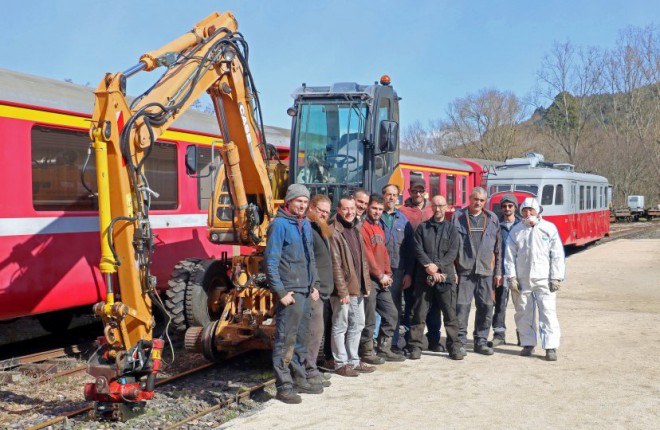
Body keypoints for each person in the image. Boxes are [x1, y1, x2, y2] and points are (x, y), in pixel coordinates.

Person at [265, 184, 322, 404]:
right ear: (288, 202)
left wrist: (314, 283)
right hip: (290, 292)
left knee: (302, 338)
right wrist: (280, 292)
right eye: (298, 201)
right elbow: (271, 262)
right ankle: (283, 385)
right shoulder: (279, 225)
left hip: (306, 290)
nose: (302, 205)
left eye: (305, 201)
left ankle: (299, 378)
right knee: (285, 340)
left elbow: (311, 258)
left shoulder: (305, 223)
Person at [505, 197, 565, 361]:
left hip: (544, 279)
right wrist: (511, 277)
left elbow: (557, 255)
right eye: (525, 211)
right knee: (524, 312)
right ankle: (528, 343)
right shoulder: (516, 231)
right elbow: (509, 256)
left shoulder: (548, 228)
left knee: (548, 312)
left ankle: (550, 347)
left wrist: (556, 277)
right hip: (523, 279)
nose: (528, 213)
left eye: (531, 210)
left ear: (538, 211)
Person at [409, 195, 465, 360]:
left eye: (441, 206)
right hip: (424, 278)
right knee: (419, 314)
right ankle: (415, 347)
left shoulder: (452, 229)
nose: (438, 209)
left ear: (446, 207)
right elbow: (418, 249)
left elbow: (453, 252)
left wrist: (437, 265)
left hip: (445, 278)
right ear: (431, 207)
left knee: (450, 314)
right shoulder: (422, 228)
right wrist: (430, 267)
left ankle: (454, 347)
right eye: (435, 206)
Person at [328, 196, 375, 376]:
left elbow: (361, 259)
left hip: (357, 286)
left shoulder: (356, 227)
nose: (349, 212)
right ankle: (341, 363)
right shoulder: (334, 231)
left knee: (358, 324)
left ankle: (353, 361)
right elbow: (335, 264)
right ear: (339, 210)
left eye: (352, 209)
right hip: (343, 289)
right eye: (345, 209)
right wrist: (342, 290)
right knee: (341, 325)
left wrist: (366, 283)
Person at [452, 187, 502, 356]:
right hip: (464, 271)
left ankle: (480, 341)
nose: (478, 203)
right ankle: (459, 342)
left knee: (486, 307)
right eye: (475, 199)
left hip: (486, 271)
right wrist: (453, 269)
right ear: (470, 198)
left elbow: (498, 249)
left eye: (481, 200)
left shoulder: (492, 218)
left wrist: (498, 272)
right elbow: (451, 246)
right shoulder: (458, 217)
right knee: (462, 308)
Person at [360, 194, 405, 363]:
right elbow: (367, 255)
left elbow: (384, 253)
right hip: (370, 279)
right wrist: (379, 275)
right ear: (368, 208)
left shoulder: (379, 227)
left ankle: (384, 348)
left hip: (382, 280)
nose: (377, 212)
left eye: (380, 209)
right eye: (374, 208)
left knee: (392, 313)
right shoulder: (363, 227)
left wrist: (388, 273)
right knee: (369, 318)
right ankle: (366, 351)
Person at [397, 177, 441, 351]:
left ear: (425, 192)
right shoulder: (403, 211)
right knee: (410, 304)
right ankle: (410, 340)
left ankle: (434, 340)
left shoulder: (433, 209)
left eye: (420, 191)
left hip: (431, 265)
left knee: (432, 304)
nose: (417, 194)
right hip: (411, 264)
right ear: (409, 192)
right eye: (414, 190)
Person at [380, 184, 415, 353]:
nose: (392, 198)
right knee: (376, 309)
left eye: (395, 195)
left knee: (394, 309)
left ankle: (391, 344)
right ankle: (375, 344)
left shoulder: (403, 220)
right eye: (389, 194)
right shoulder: (375, 217)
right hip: (377, 271)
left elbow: (409, 249)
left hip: (398, 270)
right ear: (383, 196)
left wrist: (408, 273)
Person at [304, 194, 334, 386]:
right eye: (321, 210)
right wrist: (313, 285)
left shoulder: (318, 228)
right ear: (312, 208)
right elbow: (308, 260)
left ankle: (311, 368)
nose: (324, 214)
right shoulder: (307, 229)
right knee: (313, 332)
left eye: (327, 212)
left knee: (317, 332)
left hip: (323, 290)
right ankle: (309, 371)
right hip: (314, 290)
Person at [490, 194, 521, 347]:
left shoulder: (522, 226)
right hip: (501, 272)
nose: (507, 209)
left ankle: (524, 334)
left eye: (510, 206)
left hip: (520, 273)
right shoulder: (496, 226)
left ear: (515, 207)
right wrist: (498, 272)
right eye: (504, 206)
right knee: (500, 304)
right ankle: (499, 334)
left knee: (522, 306)